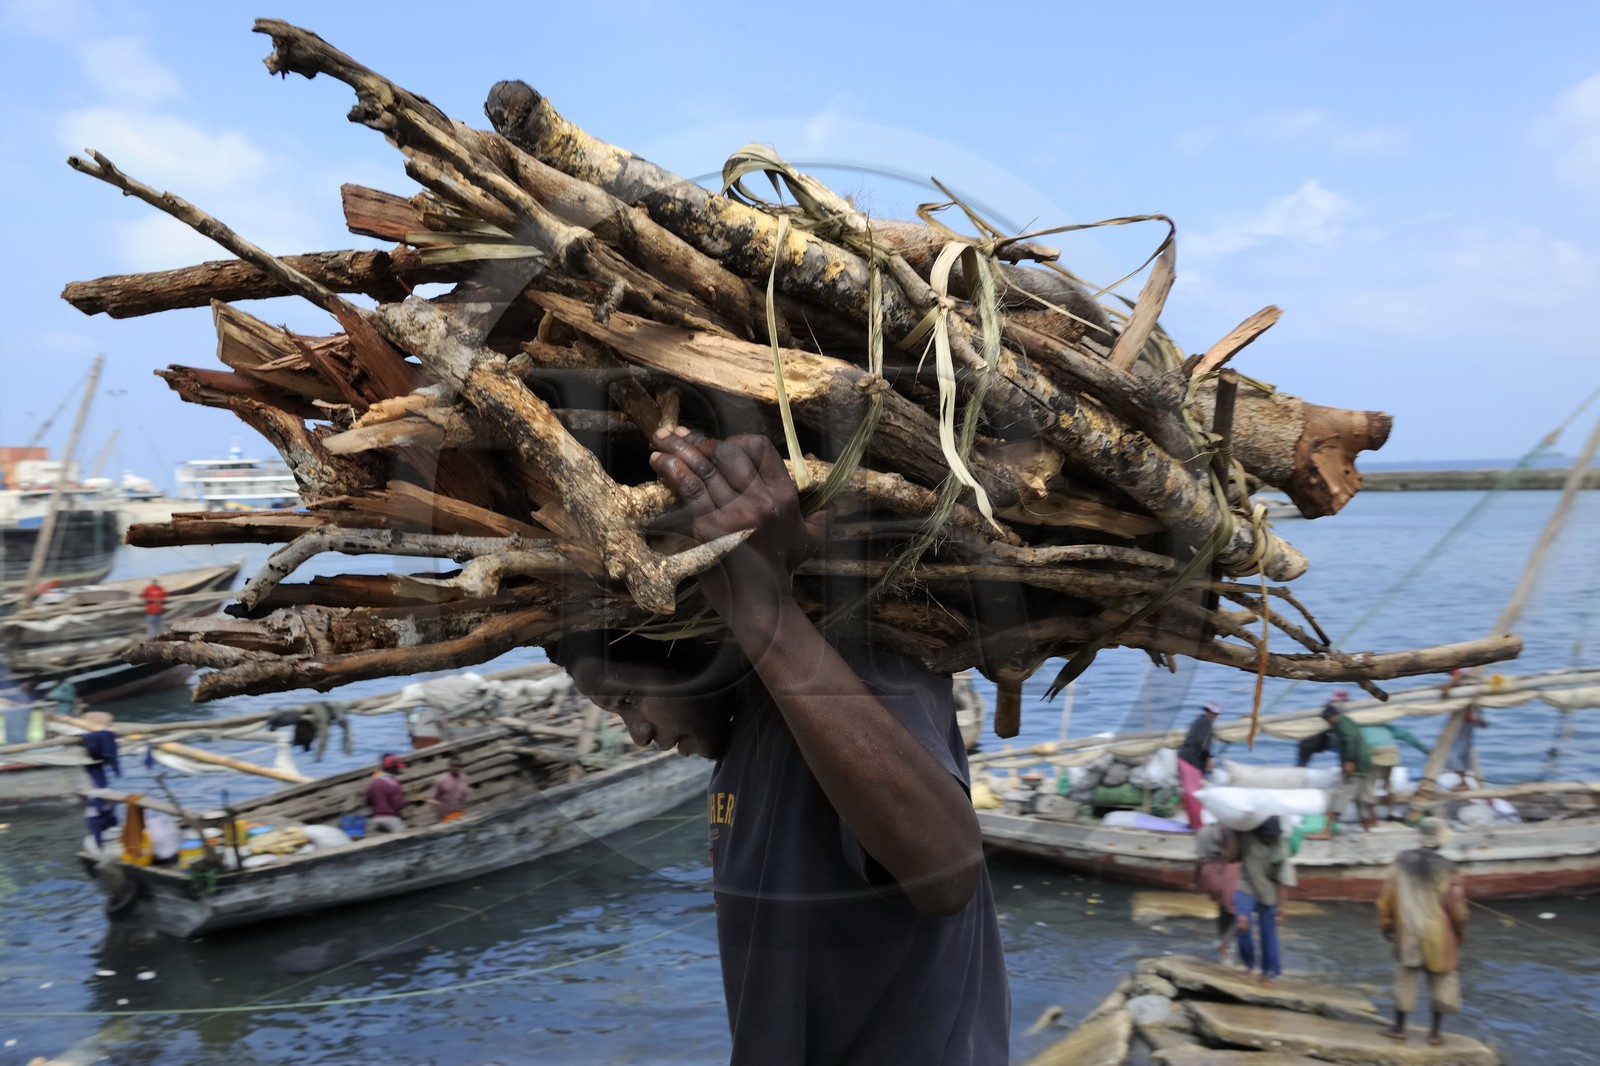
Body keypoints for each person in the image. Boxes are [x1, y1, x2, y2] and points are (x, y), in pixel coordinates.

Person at [548, 428, 1009, 1065]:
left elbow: (947, 875)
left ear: (686, 643)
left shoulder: (852, 669)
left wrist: (762, 614)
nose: (640, 734)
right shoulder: (743, 740)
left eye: (628, 700)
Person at [1376, 818, 1468, 1047]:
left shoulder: (1401, 862)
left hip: (1408, 931)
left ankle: (1399, 1027)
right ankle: (1435, 1033)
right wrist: (1459, 933)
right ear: (1441, 841)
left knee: (1406, 978)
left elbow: (1387, 899)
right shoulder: (1449, 868)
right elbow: (1458, 910)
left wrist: (1386, 926)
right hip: (1439, 933)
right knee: (1441, 980)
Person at [1233, 816, 1295, 985]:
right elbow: (1233, 854)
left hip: (1269, 891)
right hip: (1245, 884)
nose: (1269, 838)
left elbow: (1283, 880)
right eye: (1266, 835)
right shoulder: (1246, 836)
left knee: (1268, 933)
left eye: (1272, 836)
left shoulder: (1280, 848)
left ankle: (1269, 972)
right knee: (1242, 924)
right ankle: (1248, 964)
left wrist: (1283, 907)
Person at [1309, 692, 1374, 838]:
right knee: (1361, 798)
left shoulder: (1341, 723)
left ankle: (1327, 831)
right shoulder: (1347, 720)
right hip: (1364, 765)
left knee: (1340, 796)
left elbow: (1350, 739)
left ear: (1331, 717)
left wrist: (1349, 761)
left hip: (1355, 766)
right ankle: (1367, 826)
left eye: (1327, 720)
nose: (1327, 723)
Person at [1194, 822, 1240, 961]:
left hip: (1209, 874)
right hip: (1227, 873)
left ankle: (1222, 939)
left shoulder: (1204, 831)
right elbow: (1233, 854)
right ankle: (1226, 944)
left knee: (1223, 909)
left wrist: (1197, 880)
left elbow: (1199, 859)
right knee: (1241, 913)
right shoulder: (1234, 830)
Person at [1176, 700, 1222, 829]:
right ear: (1212, 713)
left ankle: (1194, 822)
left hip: (1185, 758)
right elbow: (1202, 743)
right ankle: (1197, 826)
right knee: (1194, 794)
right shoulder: (1206, 722)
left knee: (1189, 793)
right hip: (1191, 761)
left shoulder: (1199, 720)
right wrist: (1208, 759)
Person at [1360, 721, 1430, 799]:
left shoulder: (1360, 728)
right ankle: (1390, 807)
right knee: (1387, 782)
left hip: (1374, 752)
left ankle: (1370, 809)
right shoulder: (1385, 727)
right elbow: (1407, 735)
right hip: (1391, 752)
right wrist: (1425, 750)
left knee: (1369, 783)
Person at [364, 754, 408, 833]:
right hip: (391, 819)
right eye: (397, 767)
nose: (399, 768)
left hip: (376, 820)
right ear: (392, 768)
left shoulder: (372, 782)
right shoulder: (394, 783)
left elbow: (367, 802)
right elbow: (399, 804)